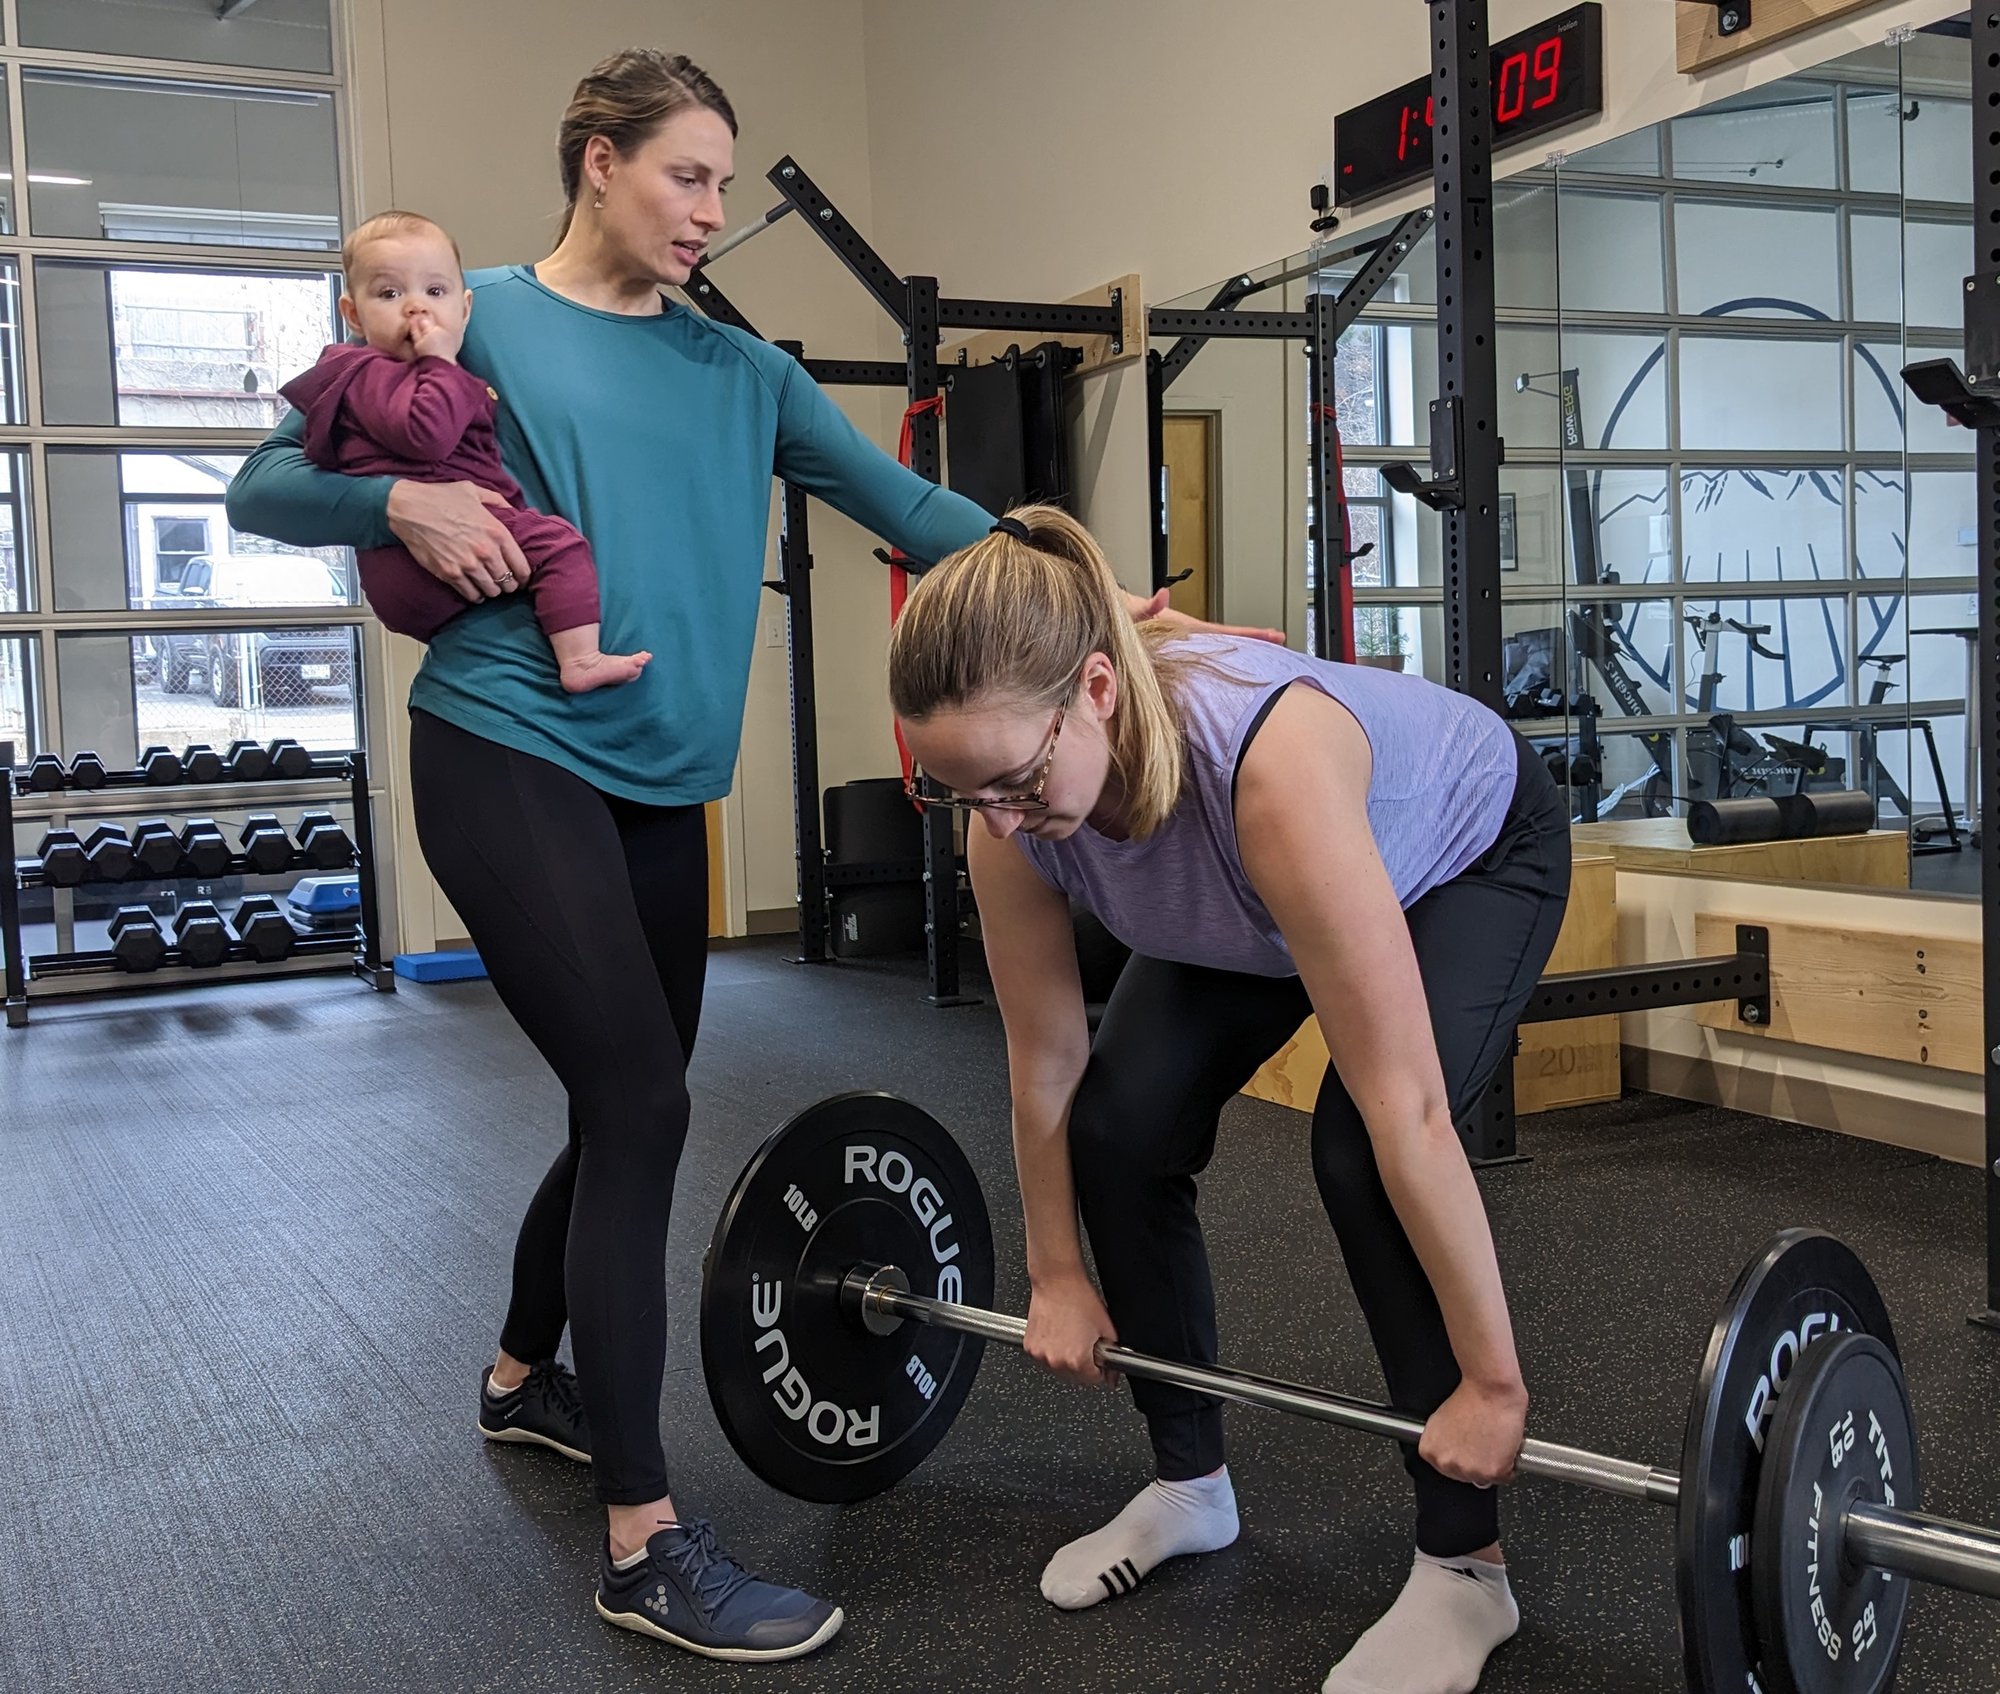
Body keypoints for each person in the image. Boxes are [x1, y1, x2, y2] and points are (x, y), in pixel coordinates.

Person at [228, 51, 1272, 1665]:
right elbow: (269, 478)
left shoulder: (743, 372)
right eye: (686, 176)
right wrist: (415, 504)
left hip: (659, 788)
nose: (714, 209)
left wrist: (1095, 603)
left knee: (621, 1090)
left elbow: (917, 509)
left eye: (724, 180)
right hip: (506, 746)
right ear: (596, 162)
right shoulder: (474, 313)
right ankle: (644, 1538)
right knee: (644, 1095)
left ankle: (524, 1373)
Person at [886, 506, 1572, 1694]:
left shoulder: (1266, 767)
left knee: (1360, 1149)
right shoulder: (1011, 809)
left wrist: (1493, 1384)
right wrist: (1054, 1269)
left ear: (1095, 687)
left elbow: (1410, 1110)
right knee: (1117, 1124)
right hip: (1241, 887)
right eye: (963, 794)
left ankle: (1466, 1570)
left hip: (1462, 851)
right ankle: (1188, 1485)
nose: (994, 819)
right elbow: (1044, 1061)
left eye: (1012, 778)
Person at [281, 209, 649, 693]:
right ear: (353, 314)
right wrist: (441, 360)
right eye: (390, 294)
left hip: (409, 570)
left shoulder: (395, 376)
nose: (417, 309)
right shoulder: (368, 373)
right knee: (560, 545)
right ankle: (580, 660)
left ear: (465, 308)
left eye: (435, 292)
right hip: (410, 563)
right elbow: (425, 435)